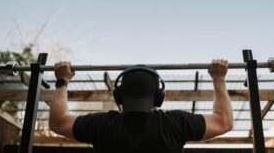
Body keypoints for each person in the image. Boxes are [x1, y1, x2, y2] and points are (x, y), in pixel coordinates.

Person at [49, 59, 233, 153]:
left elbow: (58, 122)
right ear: (159, 97)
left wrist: (62, 81)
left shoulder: (102, 125)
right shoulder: (174, 123)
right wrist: (218, 78)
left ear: (118, 96)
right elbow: (223, 122)